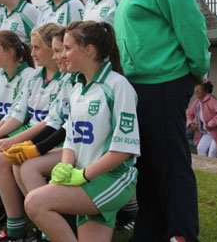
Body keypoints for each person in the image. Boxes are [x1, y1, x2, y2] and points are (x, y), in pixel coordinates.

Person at [111, 0, 210, 242]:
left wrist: (197, 70)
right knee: (148, 165)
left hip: (166, 83)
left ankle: (181, 234)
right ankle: (150, 230)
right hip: (141, 85)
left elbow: (190, 22)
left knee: (170, 163)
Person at [25, 21, 140, 242]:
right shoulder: (77, 87)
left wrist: (83, 175)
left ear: (89, 50)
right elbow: (71, 136)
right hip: (86, 180)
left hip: (111, 180)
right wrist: (66, 166)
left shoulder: (118, 86)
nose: (63, 54)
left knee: (35, 202)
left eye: (68, 48)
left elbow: (124, 150)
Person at [0, 23, 62, 241]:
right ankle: (13, 224)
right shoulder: (36, 77)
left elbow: (51, 123)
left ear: (53, 49)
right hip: (32, 131)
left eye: (36, 47)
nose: (31, 53)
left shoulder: (66, 78)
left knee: (5, 160)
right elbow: (18, 112)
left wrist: (13, 140)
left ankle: (40, 227)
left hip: (53, 138)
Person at [186, 80, 217, 158]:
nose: (197, 92)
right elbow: (188, 113)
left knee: (212, 152)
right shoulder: (197, 101)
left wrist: (210, 124)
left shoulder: (212, 100)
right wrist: (190, 123)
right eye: (196, 90)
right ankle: (204, 168)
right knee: (200, 148)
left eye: (199, 90)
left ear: (206, 91)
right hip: (208, 132)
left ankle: (215, 169)